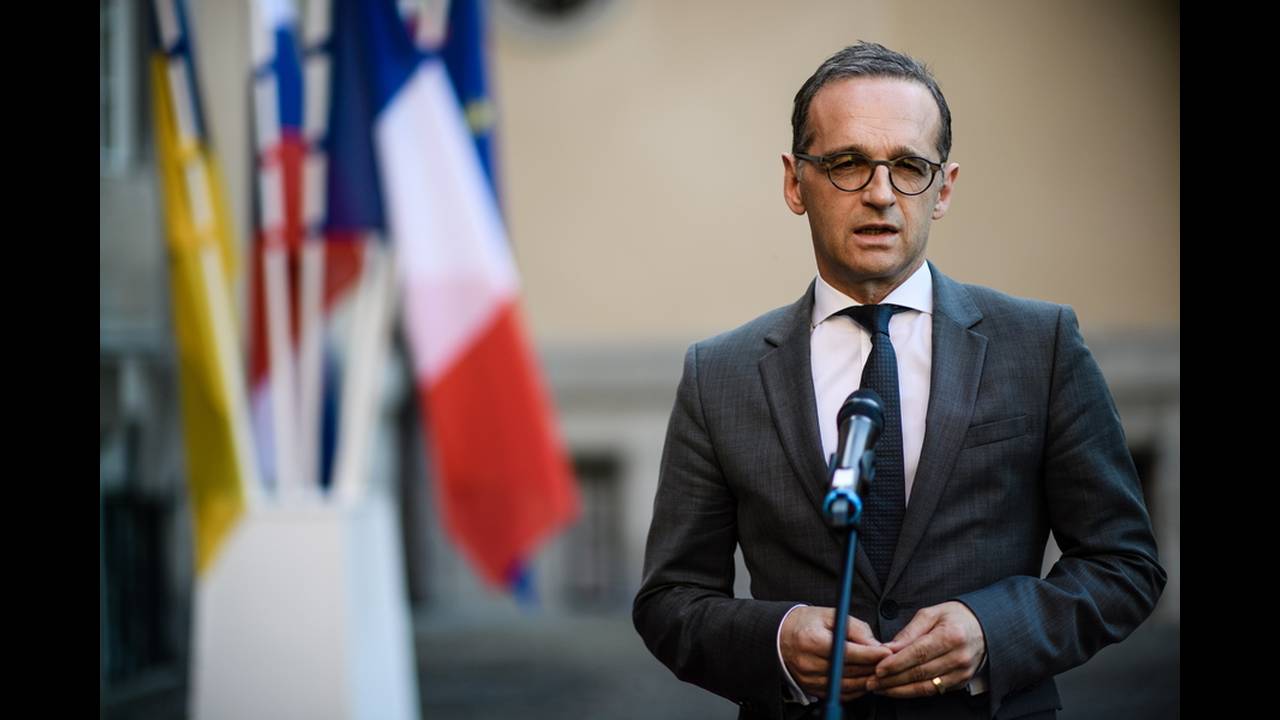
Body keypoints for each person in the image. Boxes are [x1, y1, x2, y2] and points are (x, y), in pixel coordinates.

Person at [632, 42, 1165, 720]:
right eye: (848, 163)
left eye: (909, 166)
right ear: (795, 183)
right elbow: (670, 600)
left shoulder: (1041, 344)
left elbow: (1124, 565)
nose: (881, 194)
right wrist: (775, 640)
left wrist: (991, 629)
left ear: (944, 189)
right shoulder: (719, 374)